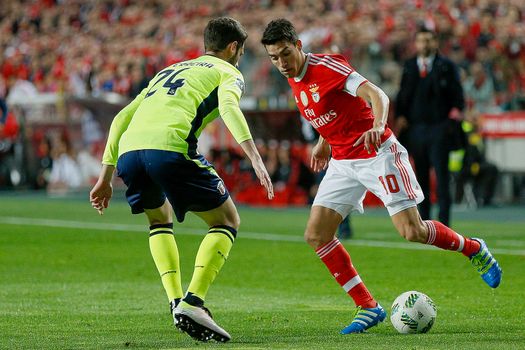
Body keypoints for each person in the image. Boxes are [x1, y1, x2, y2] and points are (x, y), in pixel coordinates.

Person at [260, 19, 501, 335]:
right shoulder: (293, 77)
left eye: (285, 54)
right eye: (273, 58)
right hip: (343, 161)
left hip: (377, 154)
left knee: (412, 231)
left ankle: (473, 248)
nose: (281, 63)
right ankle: (368, 306)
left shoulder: (328, 67)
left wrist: (377, 125)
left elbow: (377, 96)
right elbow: (329, 111)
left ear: (299, 46)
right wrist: (322, 143)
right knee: (317, 235)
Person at [90, 17, 274, 343]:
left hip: (130, 153)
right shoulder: (227, 72)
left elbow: (121, 117)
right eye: (241, 51)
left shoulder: (168, 70)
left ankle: (175, 302)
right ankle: (194, 301)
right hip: (170, 149)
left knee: (159, 219)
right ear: (233, 47)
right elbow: (229, 106)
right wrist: (255, 157)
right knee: (227, 220)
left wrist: (105, 176)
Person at [395, 28, 465, 226]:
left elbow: (457, 97)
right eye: (420, 41)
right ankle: (424, 224)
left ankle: (444, 225)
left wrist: (450, 123)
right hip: (416, 129)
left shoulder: (447, 66)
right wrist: (401, 117)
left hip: (439, 128)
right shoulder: (409, 66)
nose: (424, 45)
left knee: (442, 178)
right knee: (420, 179)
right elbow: (402, 96)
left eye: (428, 40)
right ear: (416, 44)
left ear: (435, 43)